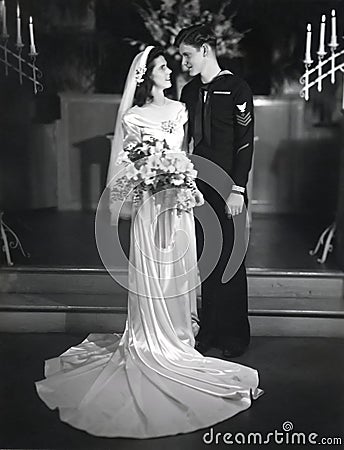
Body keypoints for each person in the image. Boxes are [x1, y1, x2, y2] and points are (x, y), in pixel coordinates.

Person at [34, 46, 262, 439]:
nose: (171, 69)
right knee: (151, 272)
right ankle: (149, 338)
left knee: (182, 269)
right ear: (146, 77)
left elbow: (202, 147)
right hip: (149, 205)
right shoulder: (132, 117)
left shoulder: (181, 108)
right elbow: (125, 160)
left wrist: (202, 181)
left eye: (172, 64)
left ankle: (181, 334)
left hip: (180, 204)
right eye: (162, 66)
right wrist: (145, 177)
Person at [176, 25, 255, 358]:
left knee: (231, 259)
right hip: (198, 186)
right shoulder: (189, 91)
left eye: (187, 55)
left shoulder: (237, 88)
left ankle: (235, 334)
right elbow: (184, 141)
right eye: (181, 57)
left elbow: (246, 143)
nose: (183, 63)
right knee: (206, 259)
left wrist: (238, 189)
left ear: (205, 49)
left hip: (229, 186)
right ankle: (209, 332)